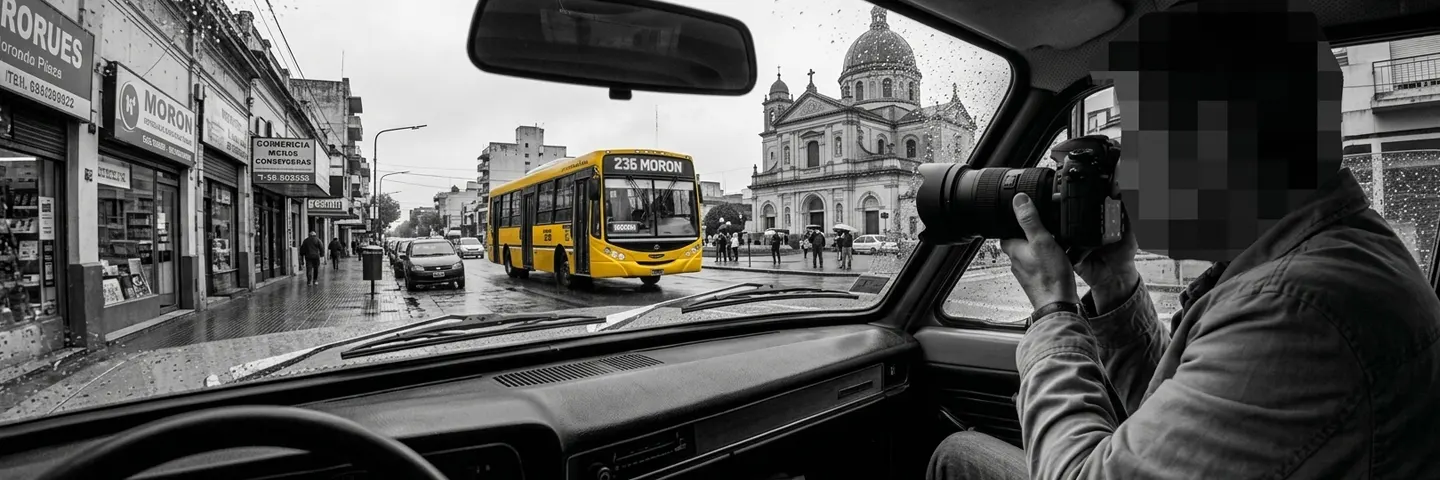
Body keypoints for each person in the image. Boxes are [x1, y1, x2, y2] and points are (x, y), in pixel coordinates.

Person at [926, 2, 1440, 479]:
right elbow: (1171, 415)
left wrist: (1053, 313)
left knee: (955, 458)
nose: (1122, 175)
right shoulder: (1326, 256)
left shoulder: (1297, 310)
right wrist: (1117, 284)